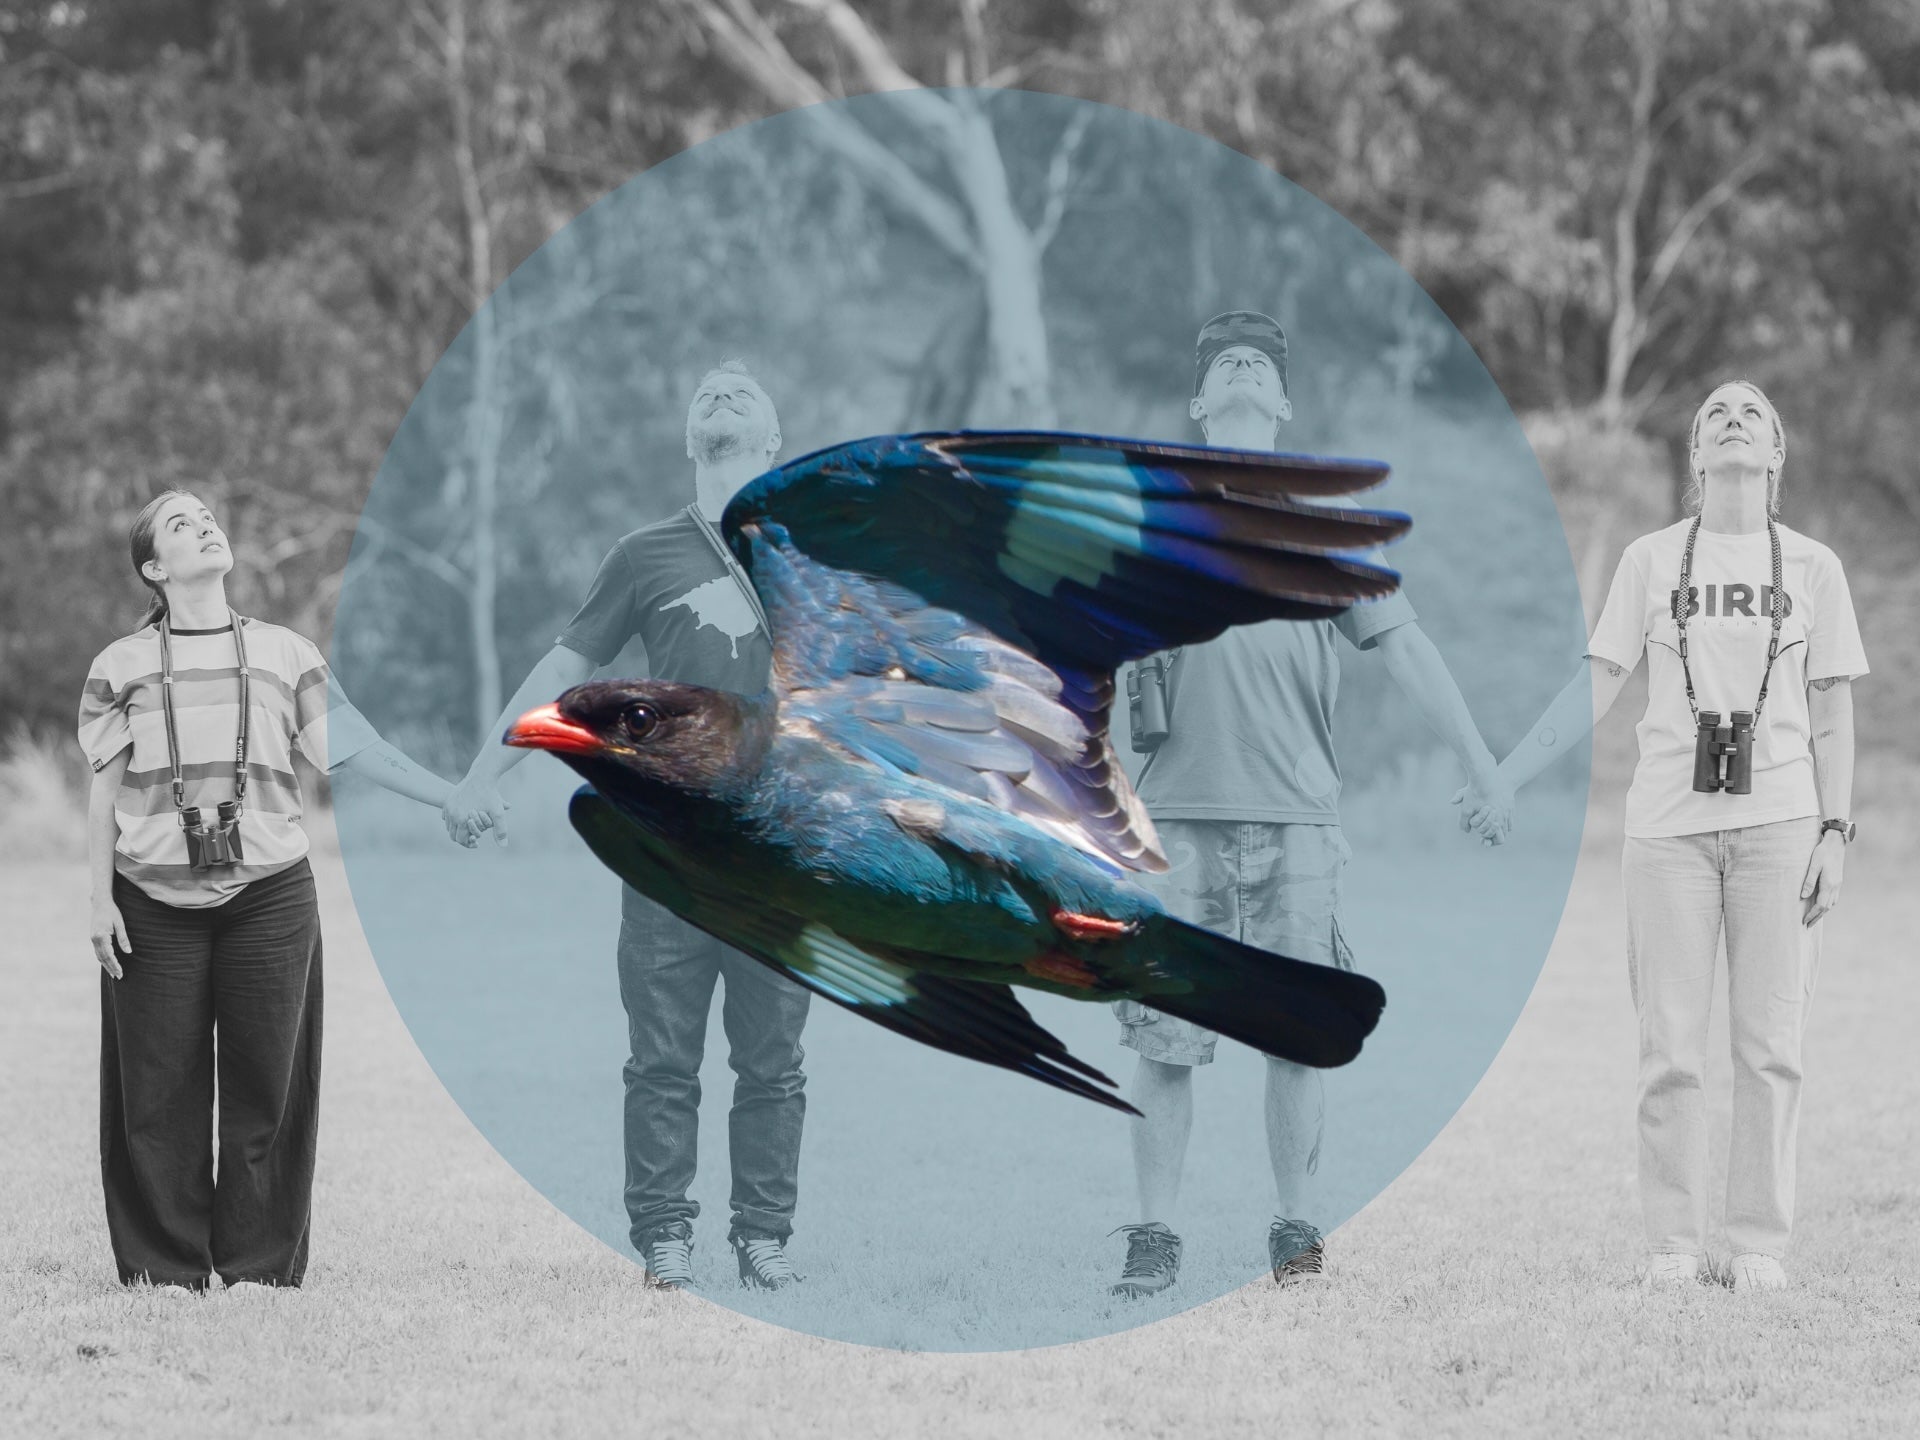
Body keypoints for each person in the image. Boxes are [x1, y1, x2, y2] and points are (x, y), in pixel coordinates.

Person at [1109, 311, 1513, 1299]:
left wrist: (1482, 762)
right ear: (1202, 401)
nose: (1243, 365)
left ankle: (1295, 1228)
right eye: (1222, 362)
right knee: (1166, 1040)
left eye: (1262, 363)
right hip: (1176, 819)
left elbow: (1406, 648)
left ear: (1282, 403)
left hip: (1296, 816)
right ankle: (1154, 1235)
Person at [442, 360, 811, 1292]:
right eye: (706, 395)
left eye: (744, 393)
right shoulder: (646, 554)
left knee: (773, 1060)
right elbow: (562, 673)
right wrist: (487, 773)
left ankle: (764, 1238)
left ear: (774, 442)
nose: (722, 395)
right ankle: (665, 1240)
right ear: (691, 440)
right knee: (661, 1057)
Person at [1492, 380, 1865, 1292]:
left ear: (1776, 454)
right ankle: (1671, 1243)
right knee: (1670, 1049)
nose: (1732, 418)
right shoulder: (1652, 561)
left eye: (1752, 414)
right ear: (1696, 458)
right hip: (1668, 834)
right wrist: (1508, 772)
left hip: (1779, 828)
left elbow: (1832, 710)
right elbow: (1597, 682)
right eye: (1713, 416)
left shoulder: (1814, 567)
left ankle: (1758, 1246)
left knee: (1770, 1046)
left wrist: (1835, 830)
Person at [81, 490, 453, 1295]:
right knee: (156, 1090)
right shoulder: (121, 665)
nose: (206, 525)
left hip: (272, 898)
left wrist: (448, 796)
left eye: (207, 516)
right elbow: (103, 794)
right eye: (182, 524)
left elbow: (355, 750)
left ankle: (258, 1268)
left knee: (270, 1083)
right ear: (155, 567)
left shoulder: (285, 653)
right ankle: (164, 1269)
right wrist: (97, 898)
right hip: (151, 901)